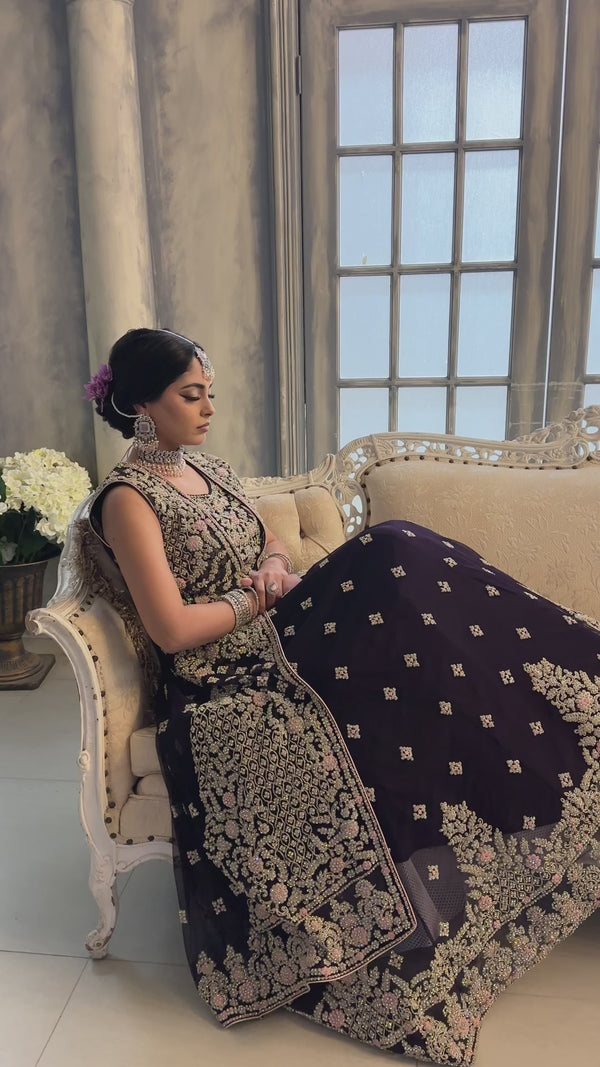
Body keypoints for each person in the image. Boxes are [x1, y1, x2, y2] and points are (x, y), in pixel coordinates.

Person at [84, 327, 600, 1066]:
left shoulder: (208, 468)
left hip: (280, 625)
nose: (208, 409)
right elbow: (169, 630)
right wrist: (255, 600)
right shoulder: (129, 500)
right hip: (230, 673)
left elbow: (267, 539)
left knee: (410, 569)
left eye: (210, 393)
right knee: (393, 553)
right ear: (141, 405)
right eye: (191, 396)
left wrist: (272, 566)